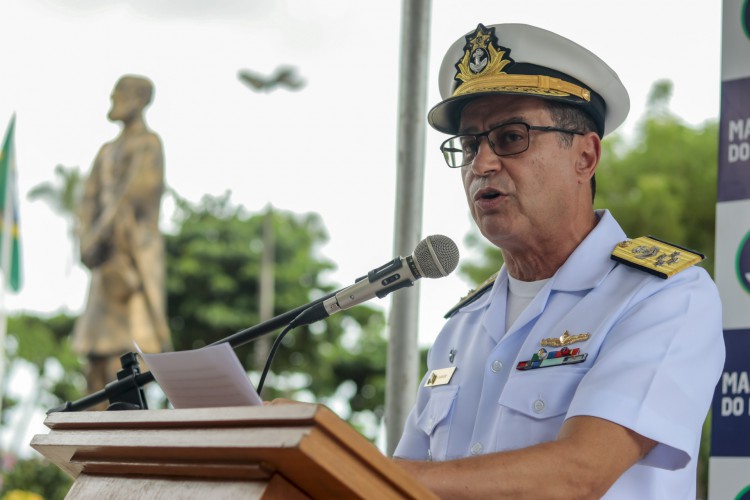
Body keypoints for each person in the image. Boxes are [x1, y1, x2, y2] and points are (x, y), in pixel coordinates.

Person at [393, 23, 725, 498]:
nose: (481, 165)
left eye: (510, 138)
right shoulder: (460, 327)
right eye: (469, 146)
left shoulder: (665, 296)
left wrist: (390, 478)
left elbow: (579, 474)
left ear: (585, 157)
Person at [72, 75, 172, 395]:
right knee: (97, 356)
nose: (113, 96)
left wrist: (98, 234)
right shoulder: (106, 152)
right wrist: (86, 237)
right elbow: (88, 199)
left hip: (132, 264)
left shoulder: (149, 144)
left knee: (129, 354)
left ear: (139, 99)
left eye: (121, 92)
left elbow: (134, 194)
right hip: (105, 264)